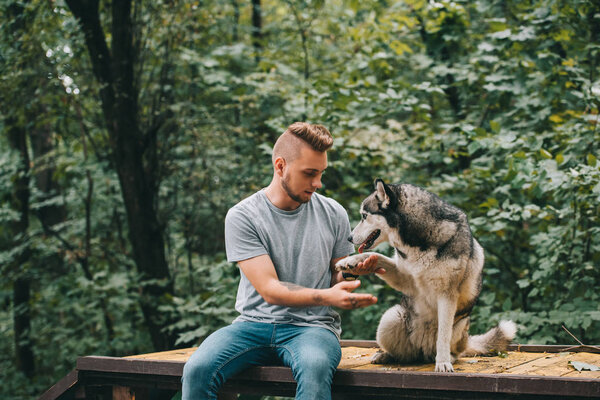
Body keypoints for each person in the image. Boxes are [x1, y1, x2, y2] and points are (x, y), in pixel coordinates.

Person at [181, 122, 381, 400]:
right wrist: (326, 296)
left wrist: (351, 272)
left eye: (321, 173)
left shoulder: (334, 213)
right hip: (252, 325)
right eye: (309, 173)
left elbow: (338, 275)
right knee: (197, 370)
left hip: (313, 328)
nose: (318, 183)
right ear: (280, 166)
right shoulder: (243, 216)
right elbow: (270, 290)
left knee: (314, 369)